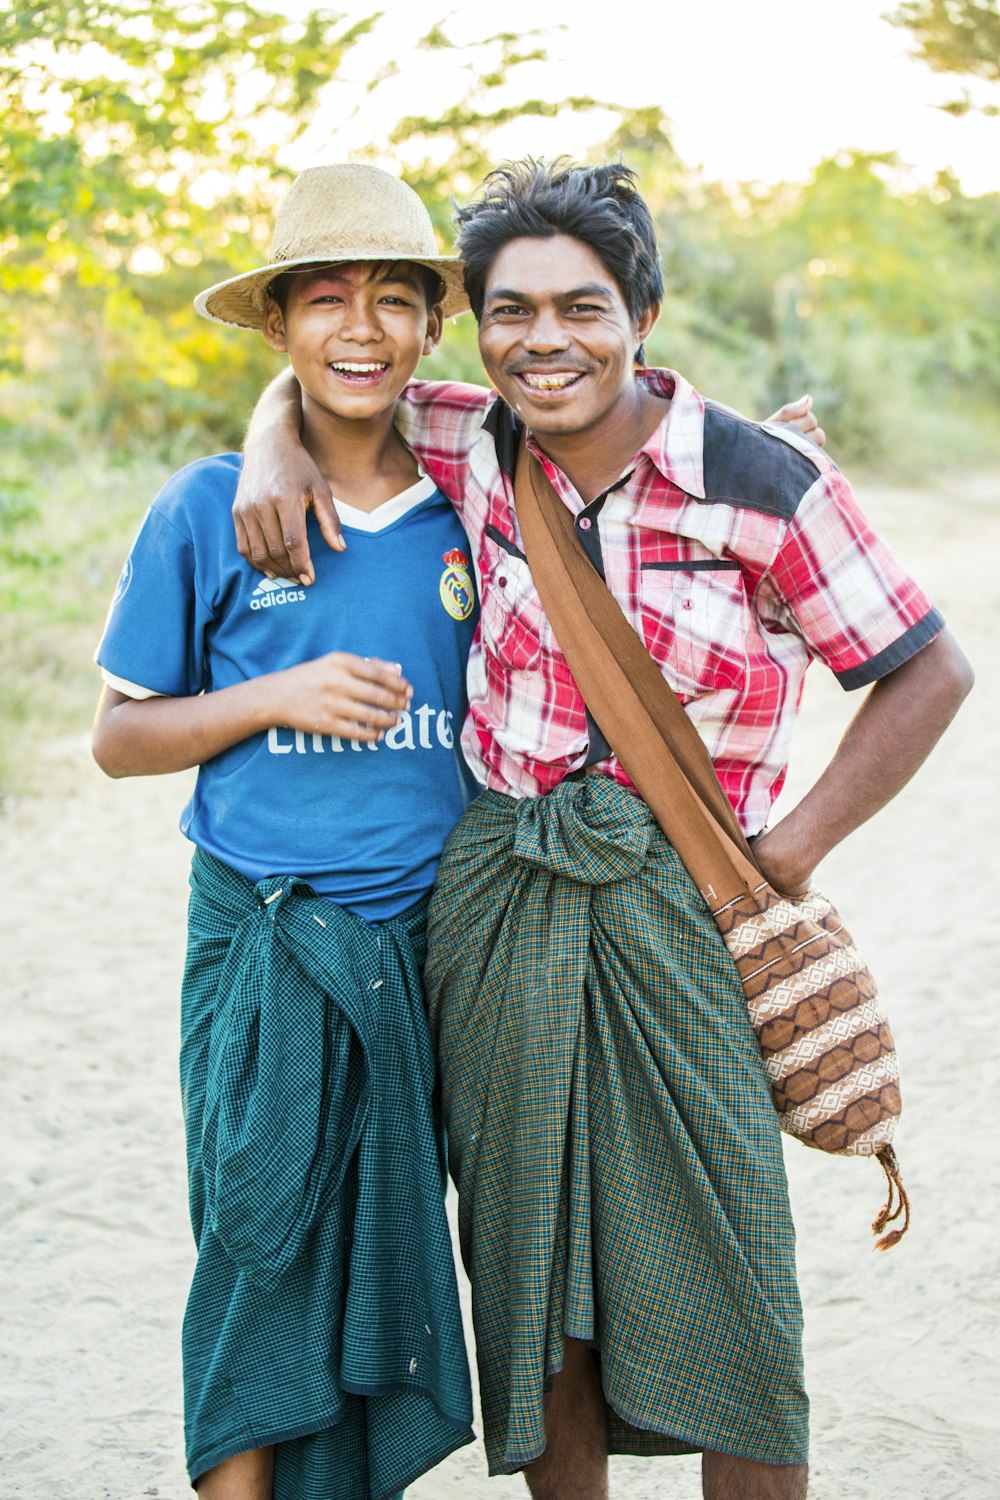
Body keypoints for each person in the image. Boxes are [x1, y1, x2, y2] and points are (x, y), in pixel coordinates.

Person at [235, 159, 973, 1500]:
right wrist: (269, 438)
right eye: (511, 311)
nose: (545, 341)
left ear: (640, 314)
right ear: (478, 329)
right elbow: (323, 379)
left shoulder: (764, 482)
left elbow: (925, 670)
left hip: (686, 904)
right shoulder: (467, 436)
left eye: (582, 307)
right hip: (499, 892)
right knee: (529, 1260)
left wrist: (789, 852)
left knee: (733, 1257)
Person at [91, 163, 480, 1500]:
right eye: (324, 300)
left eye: (392, 300)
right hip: (264, 939)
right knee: (256, 1253)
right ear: (277, 328)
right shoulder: (212, 509)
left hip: (429, 952)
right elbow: (119, 736)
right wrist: (277, 695)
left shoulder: (481, 509)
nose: (358, 330)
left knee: (388, 1256)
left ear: (434, 325)